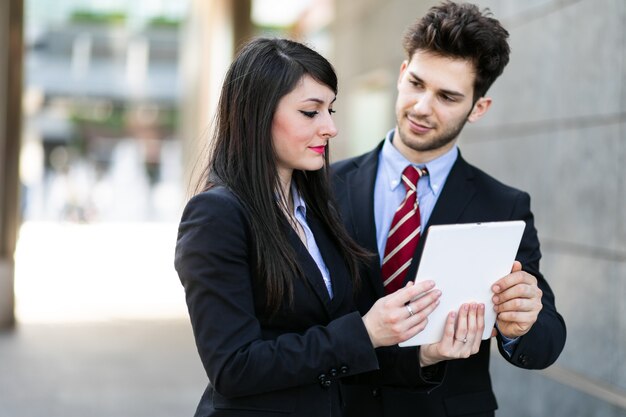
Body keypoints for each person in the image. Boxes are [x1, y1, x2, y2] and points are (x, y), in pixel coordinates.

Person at [173, 37, 469, 417]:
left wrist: (426, 354)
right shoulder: (216, 215)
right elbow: (233, 366)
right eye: (311, 112)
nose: (330, 128)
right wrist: (364, 332)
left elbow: (340, 356)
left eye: (330, 110)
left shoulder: (317, 208)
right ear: (256, 114)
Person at [331, 2, 567, 416]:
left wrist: (521, 325)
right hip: (337, 406)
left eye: (447, 96)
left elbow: (546, 338)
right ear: (402, 74)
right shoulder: (323, 187)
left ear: (478, 108)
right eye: (418, 83)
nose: (423, 106)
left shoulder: (504, 205)